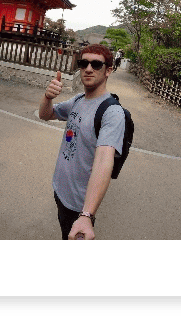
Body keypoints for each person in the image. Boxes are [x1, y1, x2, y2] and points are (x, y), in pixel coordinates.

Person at [39, 43, 125, 240]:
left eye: (96, 64)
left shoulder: (112, 113)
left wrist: (87, 215)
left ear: (108, 71)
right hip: (60, 191)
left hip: (79, 205)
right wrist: (47, 97)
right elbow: (46, 114)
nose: (88, 68)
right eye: (83, 63)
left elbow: (104, 161)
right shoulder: (78, 100)